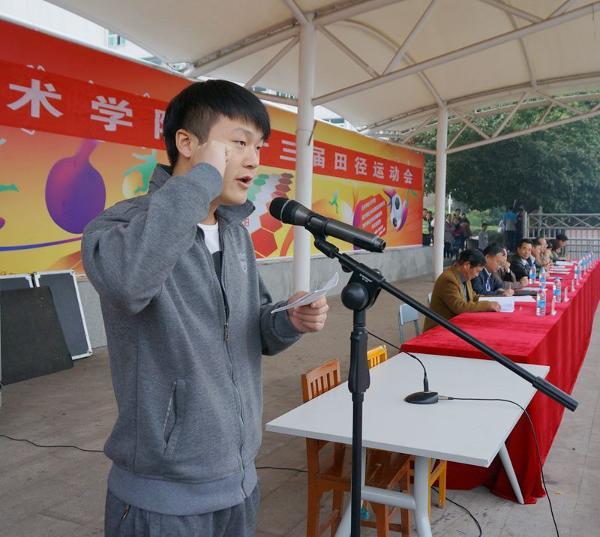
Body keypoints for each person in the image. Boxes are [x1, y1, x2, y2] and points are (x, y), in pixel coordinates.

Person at [82, 80, 329, 537]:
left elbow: (253, 326)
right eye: (239, 142)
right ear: (186, 143)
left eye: (259, 146)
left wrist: (287, 319)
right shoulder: (121, 226)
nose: (253, 160)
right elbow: (129, 284)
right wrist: (201, 181)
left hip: (239, 482)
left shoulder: (234, 233)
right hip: (163, 500)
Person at [424, 249, 501, 331]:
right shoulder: (449, 279)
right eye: (477, 271)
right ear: (467, 265)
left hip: (454, 325)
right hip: (439, 329)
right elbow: (459, 307)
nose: (477, 275)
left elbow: (473, 297)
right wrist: (488, 305)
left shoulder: (465, 276)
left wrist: (494, 299)